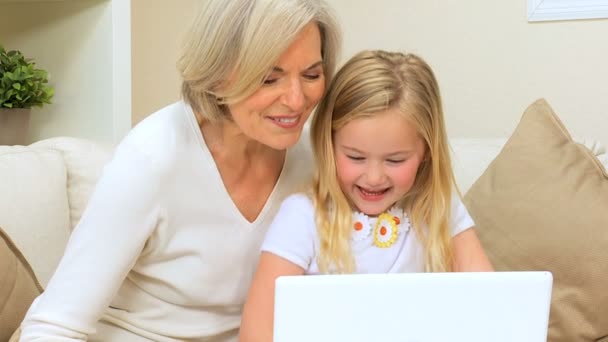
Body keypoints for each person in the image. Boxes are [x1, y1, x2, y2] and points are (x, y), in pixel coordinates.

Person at [19, 0, 341, 341]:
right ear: (218, 75)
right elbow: (54, 325)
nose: (296, 99)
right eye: (269, 79)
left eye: (311, 75)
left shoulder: (315, 159)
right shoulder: (153, 157)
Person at [239, 50, 494, 342]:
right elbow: (257, 332)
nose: (373, 177)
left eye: (395, 160)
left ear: (426, 151)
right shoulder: (303, 217)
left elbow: (488, 301)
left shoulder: (437, 207)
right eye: (355, 157)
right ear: (329, 145)